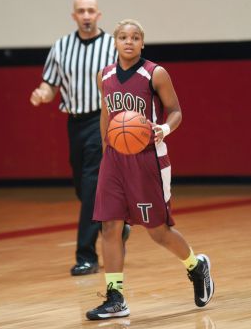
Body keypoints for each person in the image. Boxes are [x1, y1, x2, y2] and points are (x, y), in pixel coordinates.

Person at [86, 19, 214, 320]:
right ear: (114, 42)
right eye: (122, 37)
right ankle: (115, 297)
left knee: (158, 232)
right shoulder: (103, 75)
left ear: (142, 43)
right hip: (115, 160)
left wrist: (164, 128)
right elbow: (107, 114)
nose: (128, 42)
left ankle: (197, 267)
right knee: (109, 226)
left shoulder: (154, 73)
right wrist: (106, 150)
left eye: (135, 37)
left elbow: (176, 110)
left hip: (148, 159)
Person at [30, 0, 130, 276]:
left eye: (90, 11)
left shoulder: (113, 46)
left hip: (103, 122)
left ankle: (86, 255)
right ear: (73, 16)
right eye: (80, 11)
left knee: (90, 187)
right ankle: (118, 225)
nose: (86, 15)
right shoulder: (61, 47)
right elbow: (50, 85)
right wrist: (42, 93)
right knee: (81, 187)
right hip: (74, 124)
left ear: (99, 15)